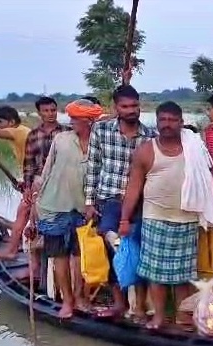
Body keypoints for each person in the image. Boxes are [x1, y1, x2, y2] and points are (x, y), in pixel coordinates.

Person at [119, 101, 209, 330]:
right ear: (157, 122)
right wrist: (124, 219)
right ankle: (159, 316)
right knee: (156, 274)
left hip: (187, 219)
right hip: (155, 218)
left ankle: (182, 316)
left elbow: (210, 179)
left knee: (183, 275)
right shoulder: (146, 150)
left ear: (181, 122)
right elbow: (133, 187)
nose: (167, 124)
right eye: (163, 120)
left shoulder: (194, 148)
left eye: (172, 120)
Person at [84, 84, 156, 319]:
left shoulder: (150, 136)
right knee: (113, 251)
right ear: (116, 108)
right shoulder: (101, 130)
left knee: (139, 253)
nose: (130, 110)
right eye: (125, 106)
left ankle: (141, 308)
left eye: (134, 105)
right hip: (109, 199)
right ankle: (119, 304)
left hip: (139, 202)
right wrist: (89, 202)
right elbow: (93, 167)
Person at [32, 99, 103, 319]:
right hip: (53, 206)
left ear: (89, 121)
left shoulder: (101, 143)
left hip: (84, 209)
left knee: (80, 256)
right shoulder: (61, 139)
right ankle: (68, 301)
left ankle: (81, 298)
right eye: (71, 118)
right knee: (59, 256)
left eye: (77, 119)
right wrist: (35, 202)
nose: (72, 122)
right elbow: (46, 171)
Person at [0, 98, 69, 261]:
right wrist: (26, 184)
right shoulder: (33, 134)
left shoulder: (18, 131)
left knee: (27, 215)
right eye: (45, 111)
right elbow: (29, 163)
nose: (50, 114)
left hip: (57, 183)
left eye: (53, 110)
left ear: (11, 121)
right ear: (39, 113)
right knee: (29, 216)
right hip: (37, 182)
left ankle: (15, 251)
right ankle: (29, 255)